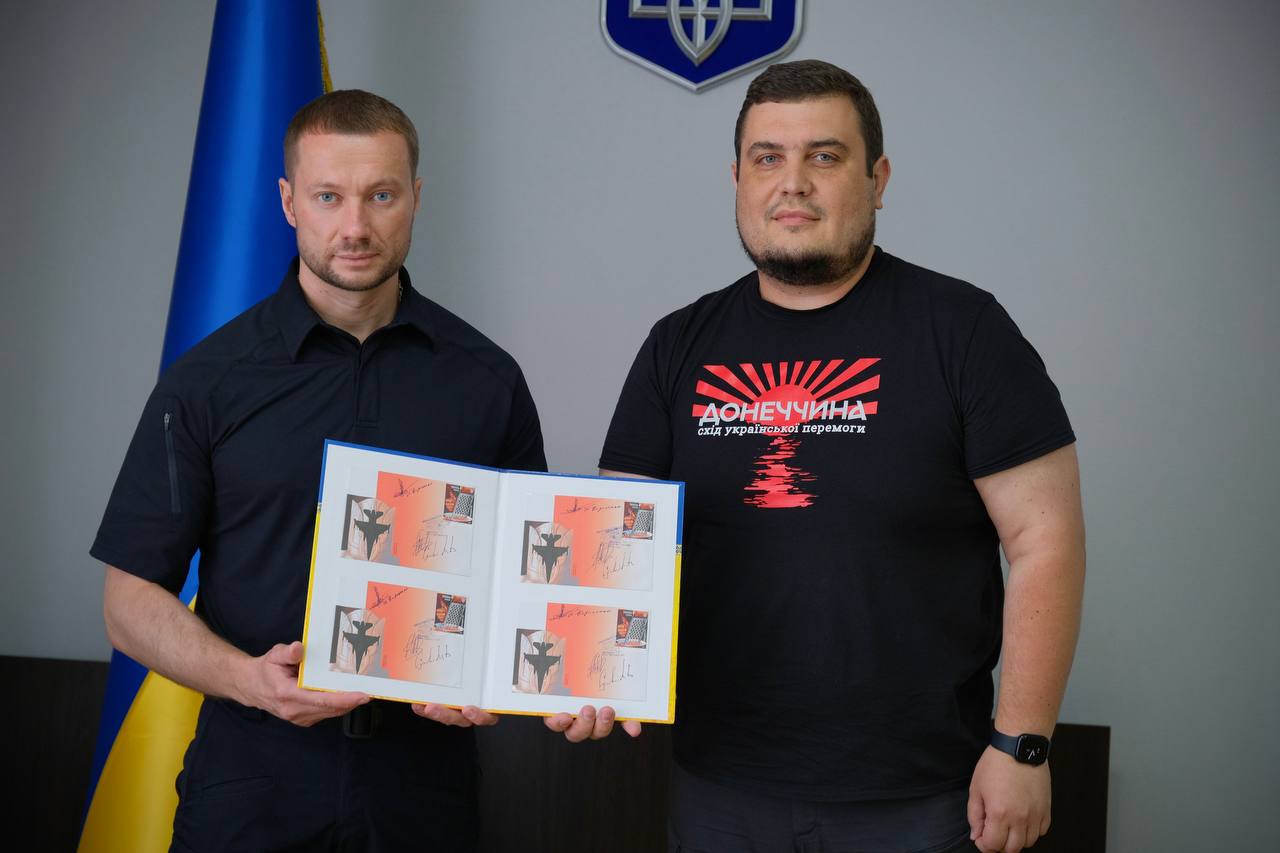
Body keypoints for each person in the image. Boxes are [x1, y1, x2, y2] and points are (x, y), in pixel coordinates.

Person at [92, 89, 607, 852]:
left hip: (424, 782)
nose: (355, 226)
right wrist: (248, 679)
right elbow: (128, 600)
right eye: (328, 196)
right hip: (251, 775)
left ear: (416, 198)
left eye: (381, 195)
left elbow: (531, 585)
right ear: (288, 202)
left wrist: (518, 679)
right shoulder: (207, 381)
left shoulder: (486, 379)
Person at [599, 60, 1086, 853]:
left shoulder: (964, 331)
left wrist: (1022, 743)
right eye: (767, 157)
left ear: (877, 178)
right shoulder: (676, 345)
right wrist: (584, 675)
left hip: (921, 794)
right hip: (720, 785)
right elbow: (614, 546)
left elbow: (1046, 541)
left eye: (823, 156)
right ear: (737, 179)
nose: (792, 182)